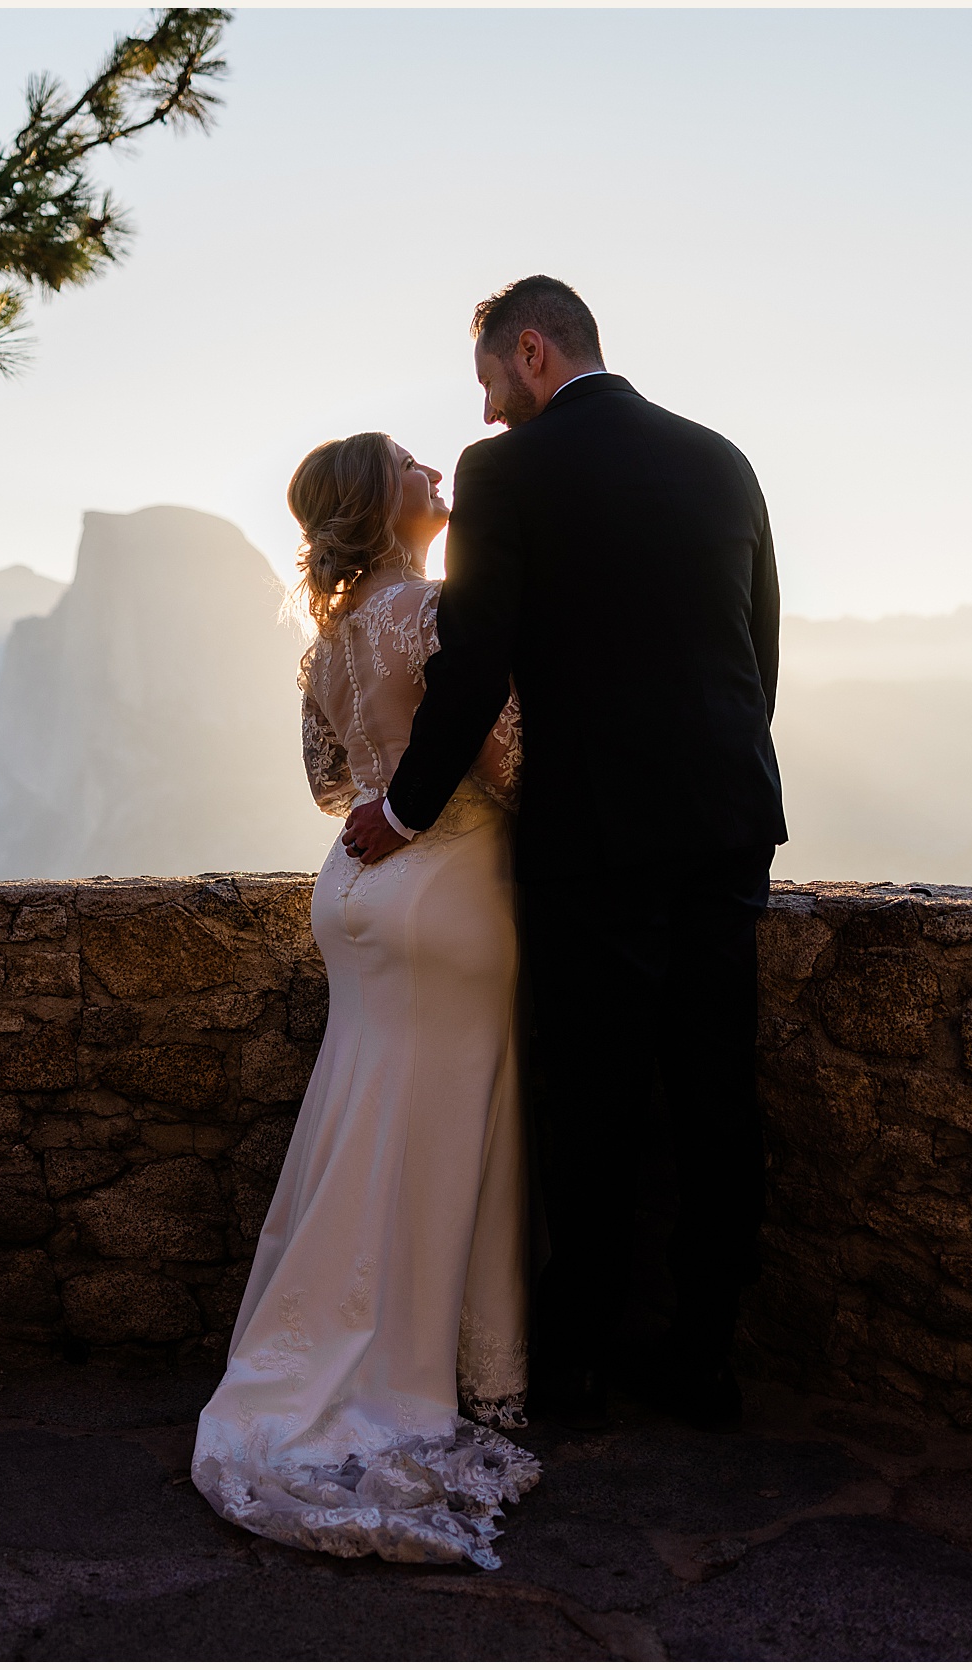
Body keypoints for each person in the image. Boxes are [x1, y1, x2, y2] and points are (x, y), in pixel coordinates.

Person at [341, 275, 786, 1434]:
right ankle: (705, 1359)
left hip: (595, 834)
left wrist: (402, 807)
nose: (485, 413)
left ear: (531, 352)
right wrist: (718, 781)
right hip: (726, 819)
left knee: (590, 1102)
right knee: (712, 1095)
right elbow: (759, 649)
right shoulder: (721, 457)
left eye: (490, 380)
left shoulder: (508, 473)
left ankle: (577, 1365)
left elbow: (472, 662)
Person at [191, 430, 539, 1571]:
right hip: (446, 885)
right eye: (408, 463)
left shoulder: (333, 635)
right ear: (377, 502)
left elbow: (329, 780)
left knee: (359, 1117)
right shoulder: (432, 610)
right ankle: (421, 1366)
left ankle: (325, 1344)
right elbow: (507, 760)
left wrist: (390, 774)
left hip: (351, 890)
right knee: (442, 1124)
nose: (434, 471)